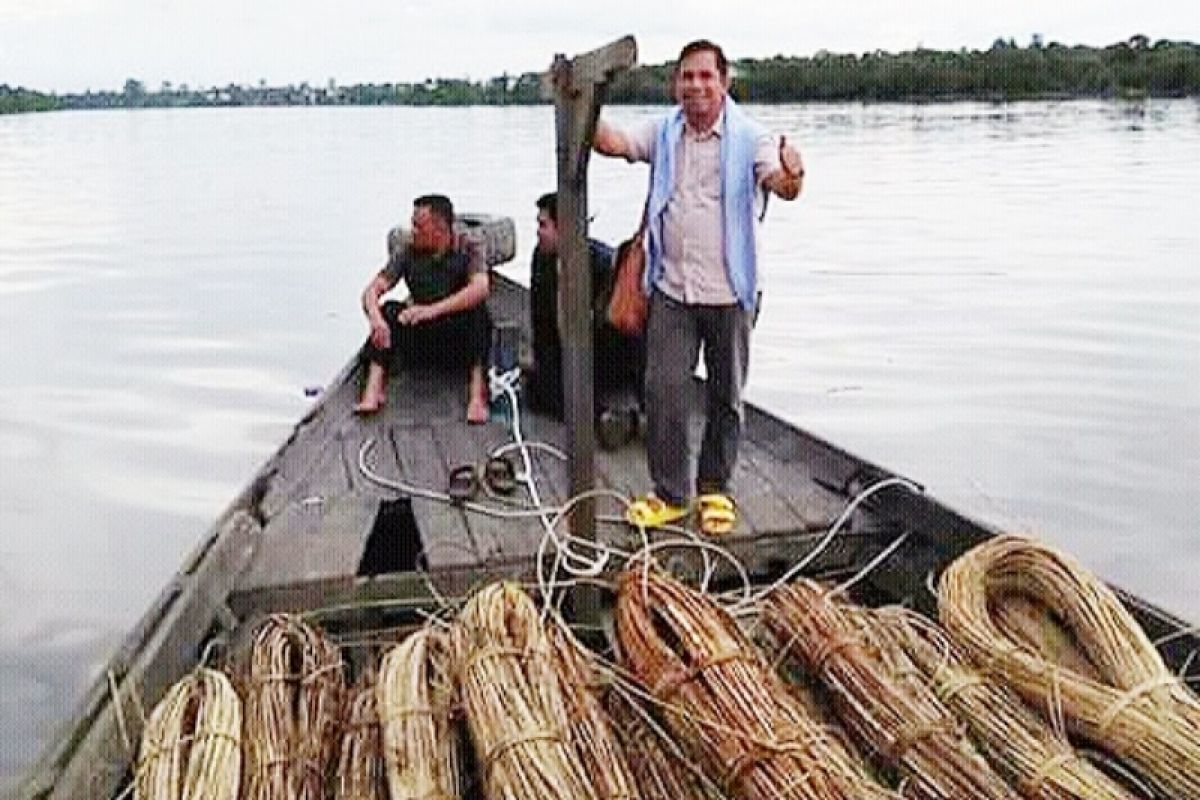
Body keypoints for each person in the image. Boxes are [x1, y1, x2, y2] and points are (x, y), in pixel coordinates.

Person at [593, 39, 805, 534]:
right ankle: (671, 492)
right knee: (663, 389)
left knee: (726, 396)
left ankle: (715, 488)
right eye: (687, 76)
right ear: (676, 84)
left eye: (706, 76)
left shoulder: (751, 138)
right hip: (672, 290)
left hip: (731, 293)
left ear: (724, 82)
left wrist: (794, 169)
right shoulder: (664, 132)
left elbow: (782, 184)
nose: (695, 86)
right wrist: (581, 106)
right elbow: (615, 143)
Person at [355, 194, 492, 423]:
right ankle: (373, 389)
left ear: (440, 229)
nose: (413, 231)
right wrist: (376, 319)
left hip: (455, 337)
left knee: (478, 314)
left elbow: (481, 287)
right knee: (389, 310)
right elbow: (372, 290)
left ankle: (477, 396)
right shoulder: (407, 251)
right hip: (422, 339)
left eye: (419, 227)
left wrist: (432, 310)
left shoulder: (467, 246)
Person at [527, 192, 644, 431]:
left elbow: (620, 326)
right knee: (537, 389)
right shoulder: (541, 258)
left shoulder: (601, 262)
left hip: (602, 350)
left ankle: (632, 416)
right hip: (565, 349)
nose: (538, 232)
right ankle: (603, 419)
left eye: (543, 225)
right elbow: (540, 322)